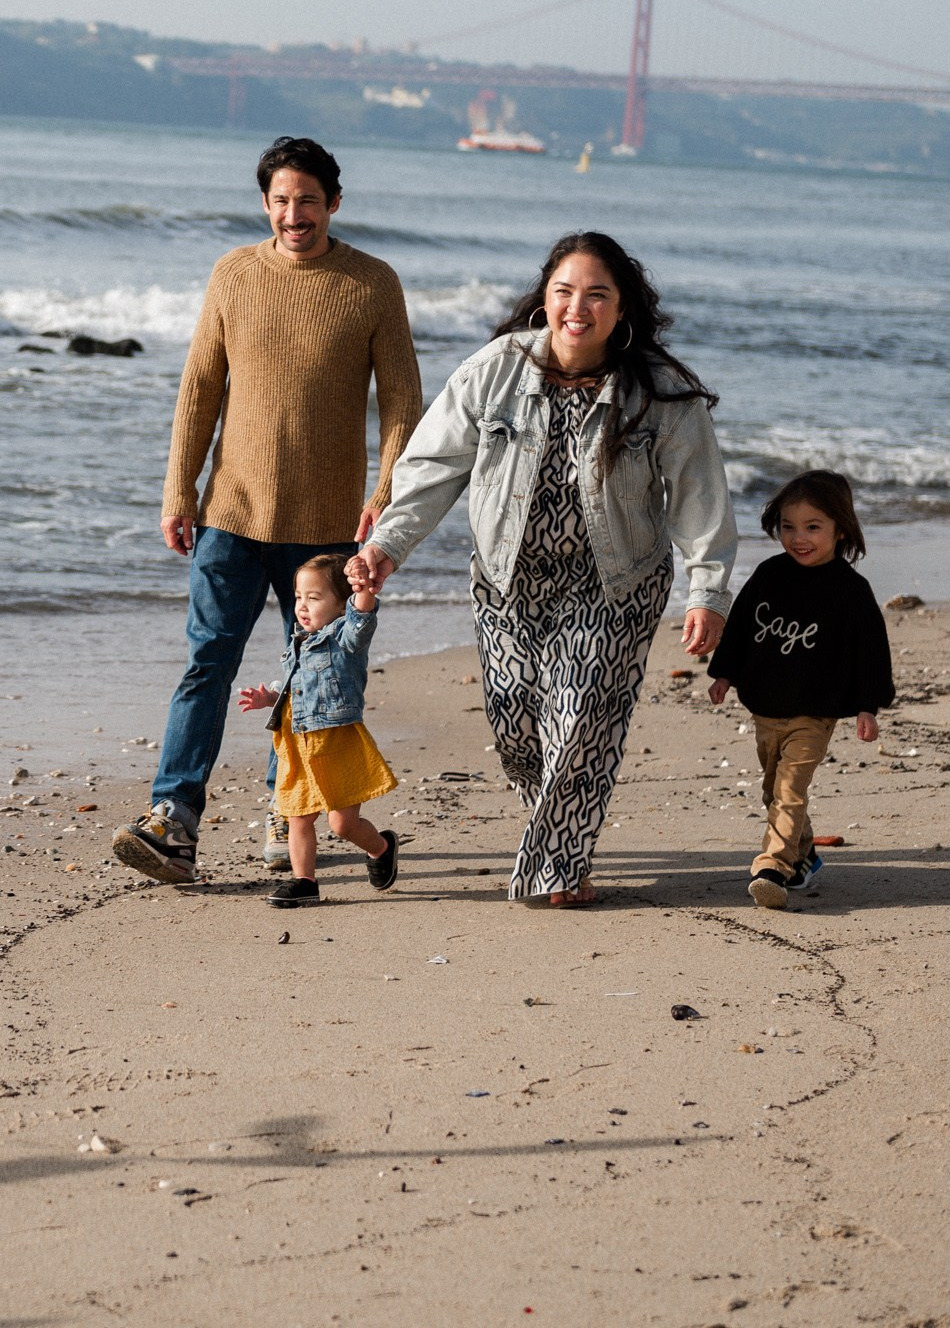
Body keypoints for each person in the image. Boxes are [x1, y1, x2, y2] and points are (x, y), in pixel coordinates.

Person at [360, 232, 736, 906]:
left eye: (597, 295)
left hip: (614, 582)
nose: (578, 308)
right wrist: (389, 544)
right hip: (508, 581)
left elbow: (699, 495)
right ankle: (564, 839)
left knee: (583, 716)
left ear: (622, 309)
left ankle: (557, 867)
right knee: (516, 727)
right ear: (545, 298)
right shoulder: (497, 369)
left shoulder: (657, 391)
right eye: (564, 291)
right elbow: (432, 465)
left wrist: (707, 589)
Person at [112, 136, 423, 886]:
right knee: (206, 664)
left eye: (309, 200)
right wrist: (178, 489)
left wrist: (385, 495)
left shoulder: (372, 283)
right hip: (231, 518)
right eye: (281, 200)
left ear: (334, 204)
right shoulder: (234, 273)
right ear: (265, 204)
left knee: (313, 682)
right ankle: (174, 820)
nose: (294, 214)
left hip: (325, 530)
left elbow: (404, 403)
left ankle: (294, 818)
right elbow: (199, 390)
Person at [704, 469, 895, 910]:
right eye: (788, 527)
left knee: (790, 791)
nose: (799, 538)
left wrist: (868, 707)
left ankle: (772, 867)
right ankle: (805, 856)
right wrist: (724, 674)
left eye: (813, 527)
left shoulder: (851, 591)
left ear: (840, 529)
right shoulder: (770, 574)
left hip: (815, 713)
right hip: (765, 707)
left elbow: (870, 653)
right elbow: (741, 630)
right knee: (774, 790)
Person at [234, 552, 400, 908]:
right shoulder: (298, 641)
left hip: (334, 741)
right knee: (298, 815)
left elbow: (362, 619)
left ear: (341, 604)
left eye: (315, 597)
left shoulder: (344, 638)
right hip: (296, 742)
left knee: (342, 824)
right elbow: (300, 689)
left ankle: (381, 847)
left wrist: (363, 589)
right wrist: (271, 698)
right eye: (298, 597)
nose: (303, 606)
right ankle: (304, 881)